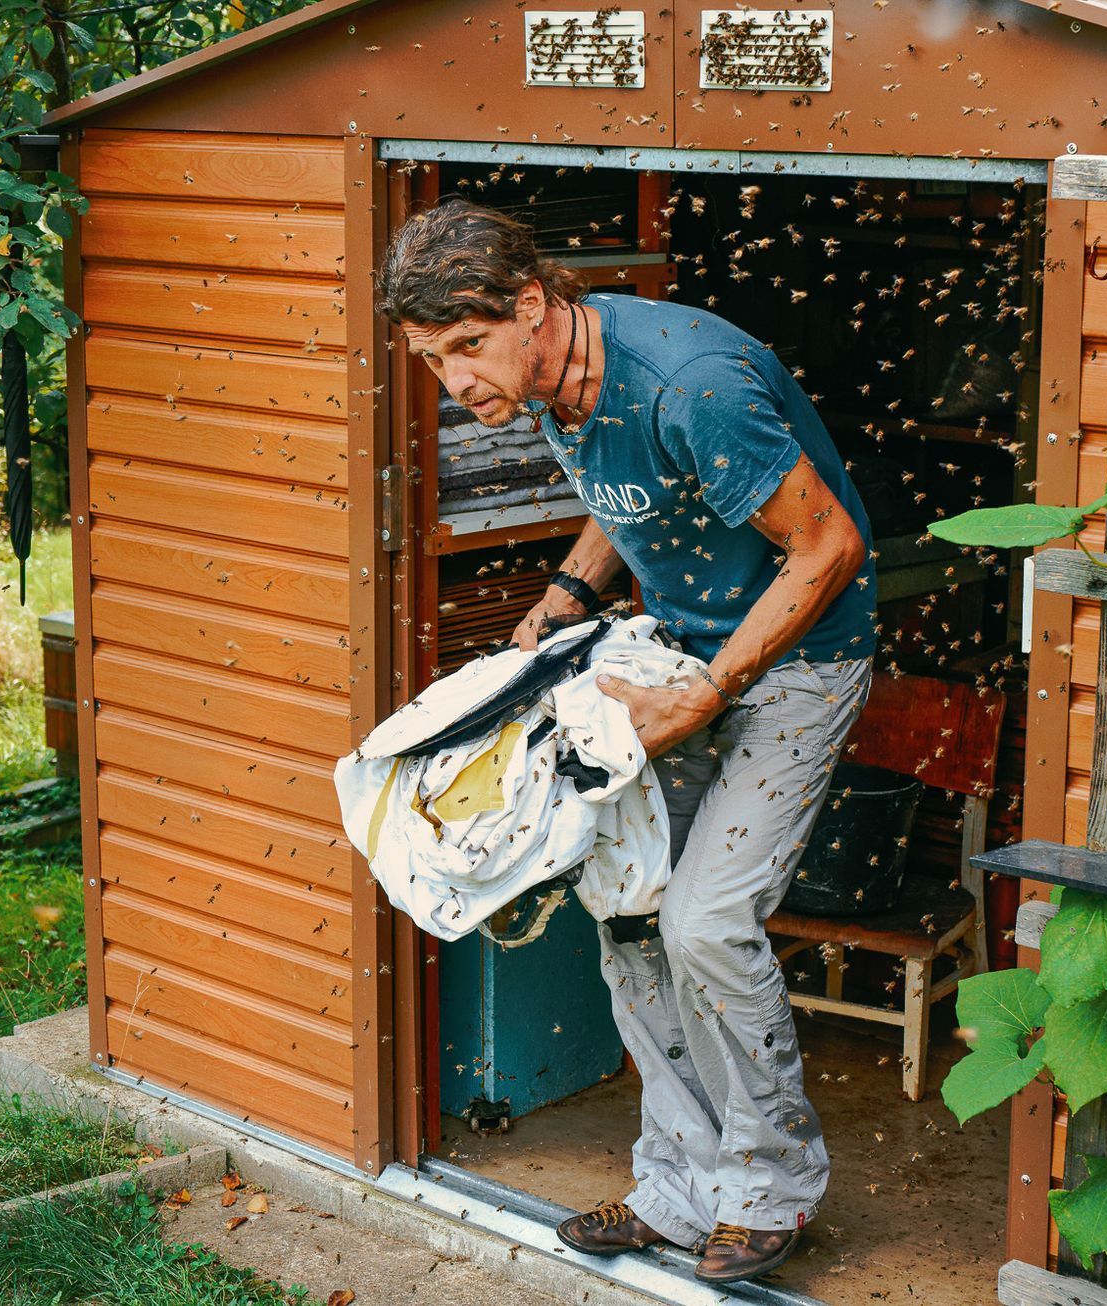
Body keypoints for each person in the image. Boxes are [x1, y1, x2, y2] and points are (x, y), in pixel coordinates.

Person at [372, 196, 877, 1285]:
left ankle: (770, 1188)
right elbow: (634, 492)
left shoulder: (690, 384)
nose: (456, 382)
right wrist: (568, 591)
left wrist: (714, 688)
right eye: (431, 359)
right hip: (671, 661)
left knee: (705, 922)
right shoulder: (558, 380)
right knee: (633, 909)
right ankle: (679, 1189)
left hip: (796, 664)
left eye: (467, 346)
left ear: (530, 304)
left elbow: (827, 545)